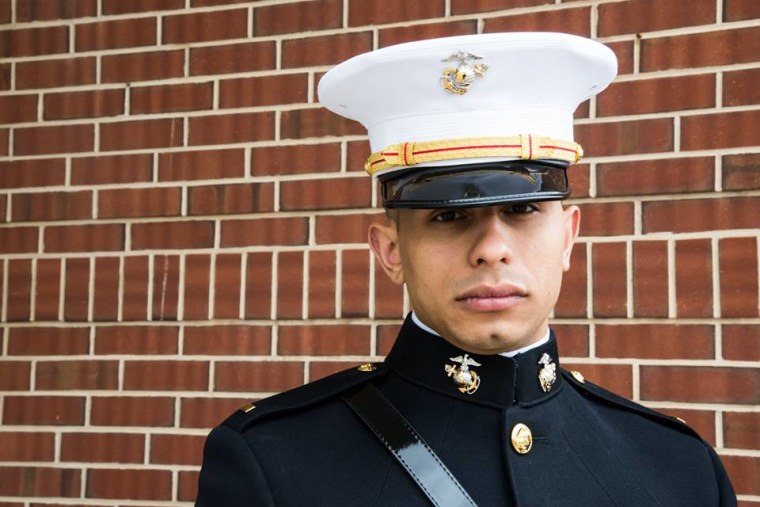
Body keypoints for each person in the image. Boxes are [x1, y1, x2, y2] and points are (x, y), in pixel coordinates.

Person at [196, 32, 736, 506]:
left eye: (522, 209)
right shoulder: (274, 464)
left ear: (569, 237)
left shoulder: (680, 469)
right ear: (390, 252)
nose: (491, 249)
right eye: (449, 215)